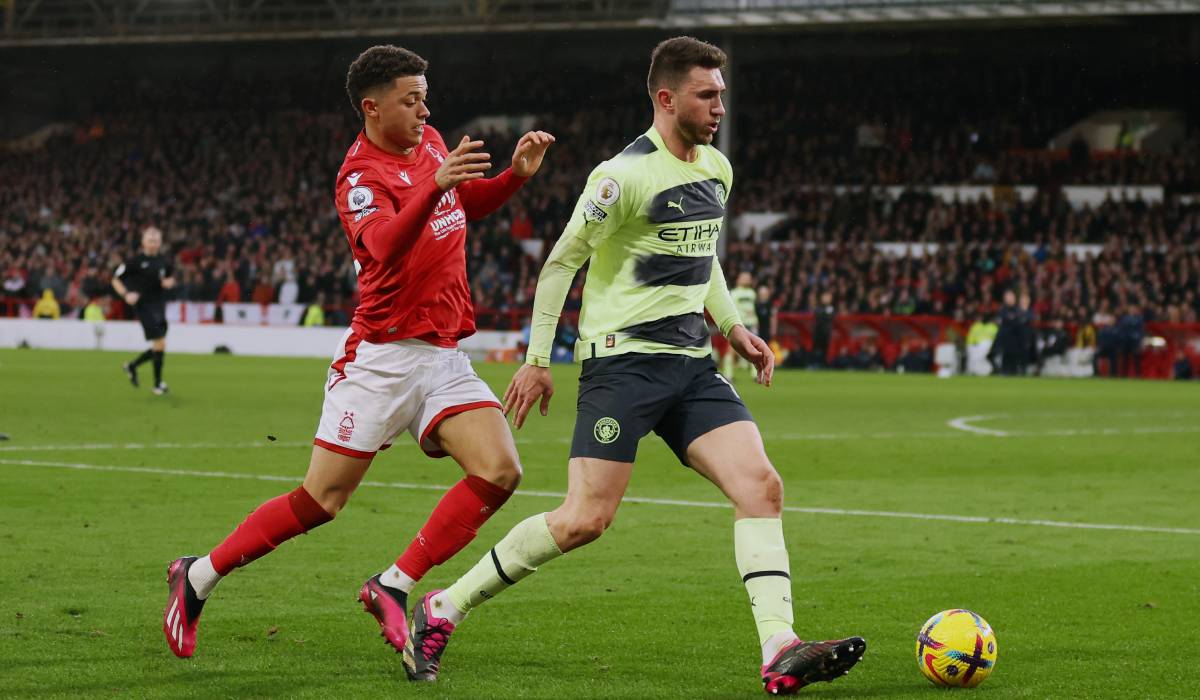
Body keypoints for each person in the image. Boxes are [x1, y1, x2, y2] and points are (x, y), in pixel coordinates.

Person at [402, 37, 865, 694]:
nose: (719, 107)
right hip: (622, 367)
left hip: (691, 369)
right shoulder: (621, 177)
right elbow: (562, 261)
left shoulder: (717, 169)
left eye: (723, 95)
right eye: (707, 95)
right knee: (585, 518)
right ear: (666, 98)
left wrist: (733, 326)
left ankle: (779, 647)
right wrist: (538, 360)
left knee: (761, 487)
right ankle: (442, 607)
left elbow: (703, 257)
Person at [161, 45, 555, 662]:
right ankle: (199, 574)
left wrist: (513, 178)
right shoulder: (358, 177)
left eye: (426, 95)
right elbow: (383, 247)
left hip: (443, 355)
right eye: (411, 99)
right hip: (381, 360)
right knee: (322, 501)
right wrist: (435, 184)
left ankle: (393, 584)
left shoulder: (429, 146)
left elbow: (460, 206)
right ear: (372, 108)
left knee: (500, 470)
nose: (425, 108)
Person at [113, 226, 176, 395]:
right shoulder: (134, 261)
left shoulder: (164, 261)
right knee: (160, 343)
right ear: (143, 242)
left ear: (160, 243)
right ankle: (157, 384)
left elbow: (170, 277)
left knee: (159, 345)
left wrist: (170, 282)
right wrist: (126, 294)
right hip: (143, 306)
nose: (153, 243)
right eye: (150, 240)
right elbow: (115, 279)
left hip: (159, 305)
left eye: (156, 240)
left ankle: (132, 366)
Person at [723, 270, 758, 378]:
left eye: (748, 277)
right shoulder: (733, 293)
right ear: (739, 279)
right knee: (732, 350)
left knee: (753, 349)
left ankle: (755, 374)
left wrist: (756, 321)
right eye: (744, 277)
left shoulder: (752, 293)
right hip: (739, 324)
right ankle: (728, 374)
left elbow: (753, 309)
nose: (747, 279)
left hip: (751, 324)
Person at [811, 290, 835, 368]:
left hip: (826, 332)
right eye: (824, 297)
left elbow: (829, 317)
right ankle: (815, 364)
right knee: (816, 349)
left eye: (827, 297)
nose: (825, 299)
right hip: (818, 332)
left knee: (825, 350)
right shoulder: (819, 308)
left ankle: (824, 365)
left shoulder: (831, 308)